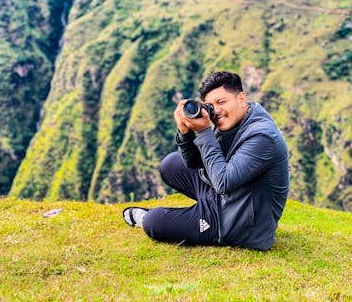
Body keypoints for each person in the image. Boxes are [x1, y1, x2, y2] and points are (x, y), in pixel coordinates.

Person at [122, 71, 289, 250]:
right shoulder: (232, 120)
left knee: (154, 222)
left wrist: (203, 132)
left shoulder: (263, 137)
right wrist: (184, 133)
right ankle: (189, 213)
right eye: (210, 105)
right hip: (225, 196)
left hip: (237, 223)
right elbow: (195, 163)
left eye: (222, 102)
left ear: (241, 98)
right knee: (171, 164)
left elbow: (223, 182)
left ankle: (150, 218)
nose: (216, 111)